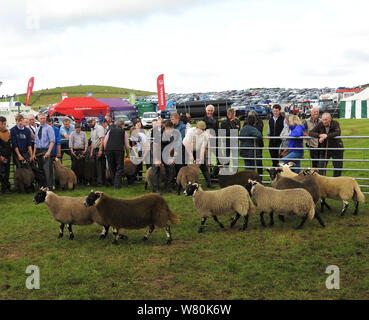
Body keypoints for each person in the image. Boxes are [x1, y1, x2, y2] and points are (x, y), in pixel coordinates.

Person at [309, 113, 344, 177]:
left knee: (337, 168)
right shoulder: (321, 124)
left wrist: (326, 136)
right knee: (321, 168)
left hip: (336, 148)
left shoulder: (335, 123)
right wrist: (319, 135)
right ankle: (323, 183)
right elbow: (311, 132)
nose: (324, 121)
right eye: (323, 120)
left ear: (330, 119)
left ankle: (336, 184)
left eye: (326, 120)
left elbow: (338, 133)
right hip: (325, 149)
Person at [152, 120, 182, 194]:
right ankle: (155, 189)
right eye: (168, 129)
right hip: (156, 152)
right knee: (156, 169)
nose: (170, 131)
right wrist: (156, 159)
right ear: (165, 128)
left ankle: (169, 186)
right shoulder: (158, 135)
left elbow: (171, 148)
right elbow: (155, 147)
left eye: (171, 129)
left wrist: (171, 158)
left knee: (171, 168)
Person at [183, 121, 214, 188]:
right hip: (187, 148)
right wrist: (191, 155)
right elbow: (187, 144)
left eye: (204, 129)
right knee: (187, 166)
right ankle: (187, 184)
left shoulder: (205, 135)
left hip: (198, 149)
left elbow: (203, 148)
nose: (202, 131)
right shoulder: (190, 131)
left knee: (203, 166)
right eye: (201, 129)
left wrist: (200, 159)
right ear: (197, 127)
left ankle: (209, 183)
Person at [104, 120, 130, 189]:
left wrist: (105, 150)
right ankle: (117, 185)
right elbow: (127, 146)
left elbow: (105, 142)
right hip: (119, 151)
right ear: (122, 126)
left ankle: (114, 183)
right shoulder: (124, 132)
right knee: (119, 168)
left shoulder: (110, 131)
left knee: (111, 167)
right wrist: (128, 154)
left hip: (109, 150)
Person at [34, 113, 56, 189]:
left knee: (47, 170)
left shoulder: (49, 128)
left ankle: (50, 188)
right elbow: (36, 142)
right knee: (41, 170)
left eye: (44, 118)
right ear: (38, 119)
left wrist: (49, 151)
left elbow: (52, 141)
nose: (43, 119)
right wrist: (34, 153)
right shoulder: (37, 129)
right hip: (38, 151)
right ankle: (43, 187)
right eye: (41, 118)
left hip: (46, 150)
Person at [88, 118, 105, 186]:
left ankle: (100, 182)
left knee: (99, 167)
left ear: (94, 121)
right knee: (95, 166)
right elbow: (92, 141)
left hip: (99, 149)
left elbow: (102, 140)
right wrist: (91, 152)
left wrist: (100, 150)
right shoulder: (92, 129)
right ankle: (96, 182)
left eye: (91, 122)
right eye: (89, 122)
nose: (90, 123)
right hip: (94, 149)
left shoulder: (99, 128)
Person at [248, 110, 264, 175]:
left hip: (258, 143)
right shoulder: (247, 121)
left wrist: (251, 130)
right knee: (251, 161)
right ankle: (252, 176)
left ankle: (260, 176)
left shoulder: (260, 121)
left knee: (259, 161)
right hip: (250, 144)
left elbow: (259, 130)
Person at [0, 116, 11, 193]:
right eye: (2, 124)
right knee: (2, 173)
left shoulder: (8, 132)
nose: (3, 125)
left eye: (5, 124)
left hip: (7, 156)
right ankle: (4, 188)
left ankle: (7, 187)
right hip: (1, 156)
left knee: (7, 172)